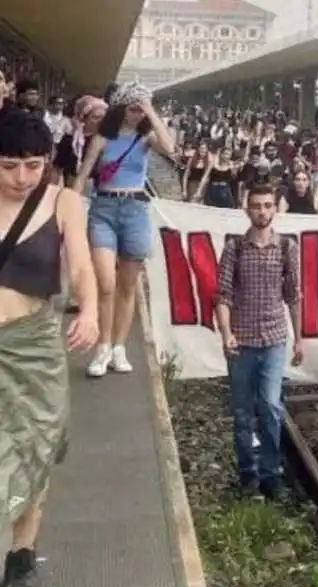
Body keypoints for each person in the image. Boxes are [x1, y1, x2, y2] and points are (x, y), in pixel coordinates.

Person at [0, 109, 98, 587]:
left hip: (36, 347)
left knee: (34, 451)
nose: (22, 178)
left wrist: (92, 311)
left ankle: (21, 554)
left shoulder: (64, 203)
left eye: (33, 165)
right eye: (10, 165)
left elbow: (80, 265)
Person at [71, 82, 175, 378]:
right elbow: (82, 174)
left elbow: (170, 148)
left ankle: (119, 347)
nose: (137, 112)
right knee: (106, 283)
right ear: (120, 107)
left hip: (136, 211)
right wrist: (71, 209)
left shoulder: (146, 138)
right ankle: (102, 347)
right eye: (133, 107)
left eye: (140, 108)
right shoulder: (103, 136)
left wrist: (151, 111)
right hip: (103, 208)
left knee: (128, 285)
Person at [215, 184, 304, 500]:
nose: (262, 211)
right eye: (256, 205)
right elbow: (223, 295)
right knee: (241, 412)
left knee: (269, 405)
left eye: (267, 205)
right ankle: (247, 474)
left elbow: (293, 295)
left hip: (274, 339)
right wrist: (226, 333)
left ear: (275, 210)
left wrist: (299, 339)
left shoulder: (287, 248)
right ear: (247, 209)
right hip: (242, 341)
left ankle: (270, 473)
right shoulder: (234, 249)